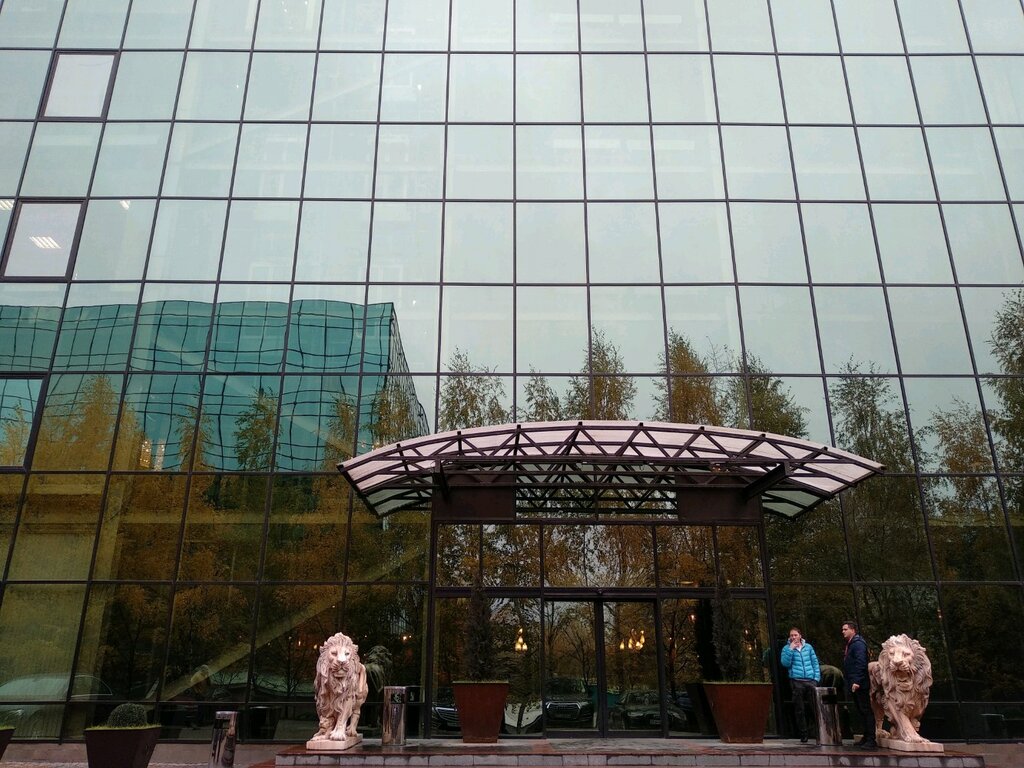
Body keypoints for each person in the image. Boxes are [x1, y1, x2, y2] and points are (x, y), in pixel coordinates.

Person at [780, 627, 821, 743]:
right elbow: (785, 663)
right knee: (799, 709)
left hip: (810, 680)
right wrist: (790, 649)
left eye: (795, 635)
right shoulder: (786, 648)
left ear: (800, 636)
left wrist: (816, 679)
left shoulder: (808, 647)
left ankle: (819, 732)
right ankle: (804, 734)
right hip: (796, 681)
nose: (793, 637)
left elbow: (815, 663)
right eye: (791, 635)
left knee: (815, 707)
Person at [841, 620, 876, 750]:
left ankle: (871, 739)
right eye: (843, 629)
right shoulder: (851, 644)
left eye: (845, 629)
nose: (843, 632)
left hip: (859, 683)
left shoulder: (858, 644)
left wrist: (857, 681)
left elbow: (861, 663)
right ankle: (866, 737)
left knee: (865, 710)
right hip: (854, 682)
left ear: (853, 630)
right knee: (861, 711)